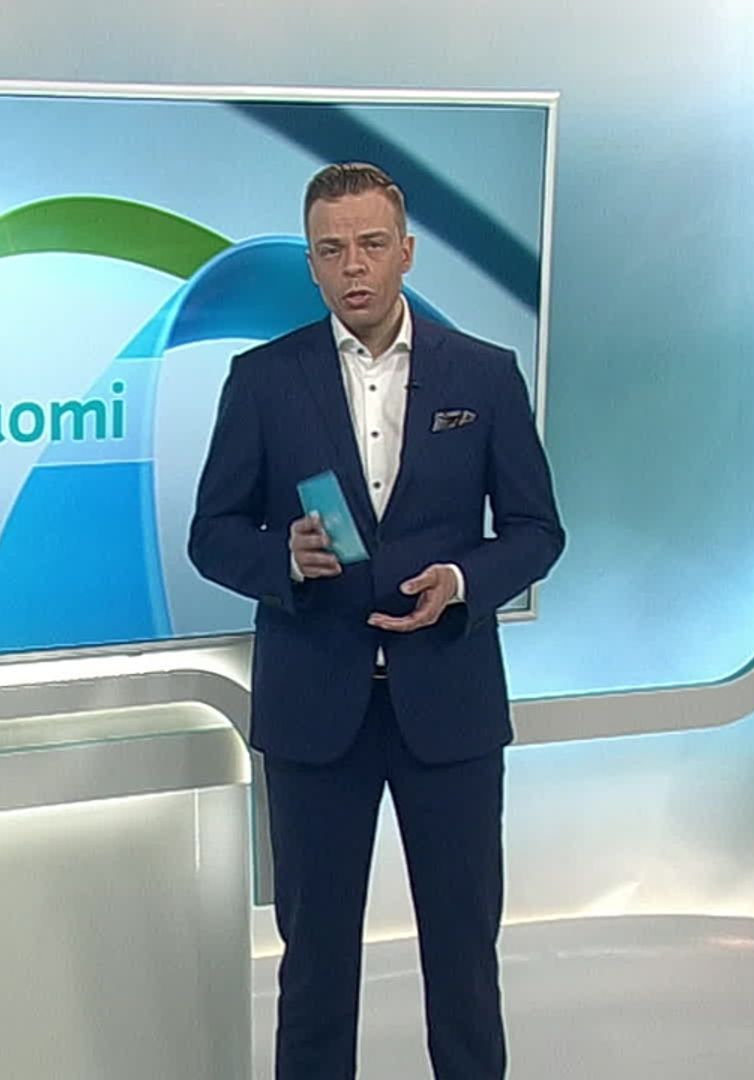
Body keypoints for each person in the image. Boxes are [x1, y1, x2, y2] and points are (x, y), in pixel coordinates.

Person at [188, 162, 565, 1078]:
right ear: (311, 265)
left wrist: (463, 581)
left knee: (463, 961)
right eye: (331, 250)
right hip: (316, 715)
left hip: (451, 709)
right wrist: (283, 559)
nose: (352, 265)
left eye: (369, 244)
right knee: (315, 967)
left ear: (406, 252)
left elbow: (536, 531)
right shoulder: (263, 380)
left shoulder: (484, 374)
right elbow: (212, 534)